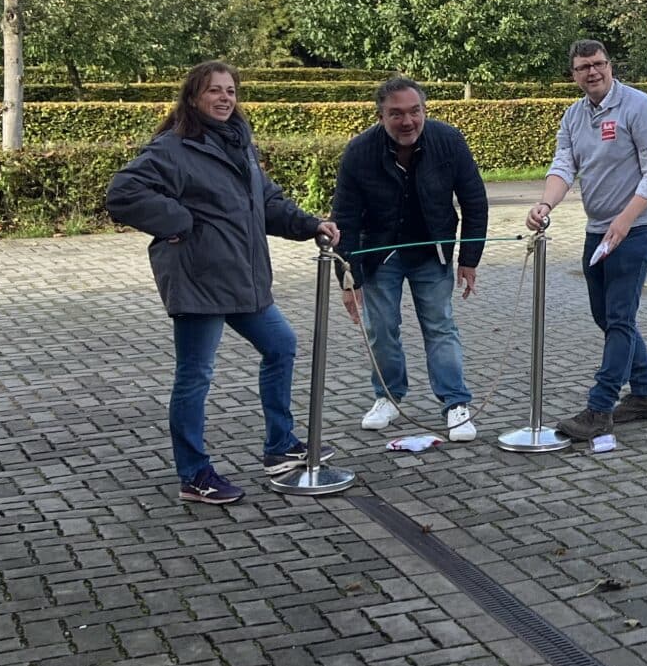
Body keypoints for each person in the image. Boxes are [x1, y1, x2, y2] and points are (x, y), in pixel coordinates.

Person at [107, 61, 340, 506]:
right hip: (199, 280)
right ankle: (194, 474)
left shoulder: (239, 144)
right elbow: (123, 193)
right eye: (214, 90)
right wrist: (178, 221)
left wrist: (311, 224)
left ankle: (280, 446)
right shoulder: (173, 148)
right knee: (195, 376)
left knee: (281, 345)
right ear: (193, 97)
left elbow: (267, 202)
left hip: (241, 278)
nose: (224, 98)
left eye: (230, 90)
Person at [524, 40, 647, 442]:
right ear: (573, 74)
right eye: (583, 67)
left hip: (639, 227)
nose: (593, 72)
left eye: (598, 64)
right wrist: (545, 204)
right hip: (598, 230)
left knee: (620, 317)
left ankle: (600, 409)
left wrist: (624, 221)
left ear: (610, 65)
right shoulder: (574, 116)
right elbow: (563, 166)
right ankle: (646, 396)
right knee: (606, 316)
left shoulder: (639, 106)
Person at [332, 76, 489, 440]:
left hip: (431, 251)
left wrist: (469, 259)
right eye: (396, 114)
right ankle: (387, 397)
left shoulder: (449, 141)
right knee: (380, 328)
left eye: (415, 111)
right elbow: (345, 218)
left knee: (440, 326)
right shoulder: (359, 151)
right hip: (379, 253)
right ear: (381, 116)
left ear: (424, 111)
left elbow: (474, 201)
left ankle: (455, 403)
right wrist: (348, 278)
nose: (408, 121)